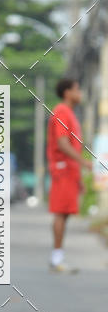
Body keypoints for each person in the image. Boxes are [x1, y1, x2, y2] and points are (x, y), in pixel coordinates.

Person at [46, 77, 92, 273]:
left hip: (70, 171)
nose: (79, 93)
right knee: (61, 213)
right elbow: (63, 144)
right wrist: (83, 162)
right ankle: (56, 259)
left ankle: (58, 257)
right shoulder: (62, 112)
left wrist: (79, 177)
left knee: (64, 214)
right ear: (67, 93)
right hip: (63, 169)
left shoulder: (69, 114)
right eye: (77, 89)